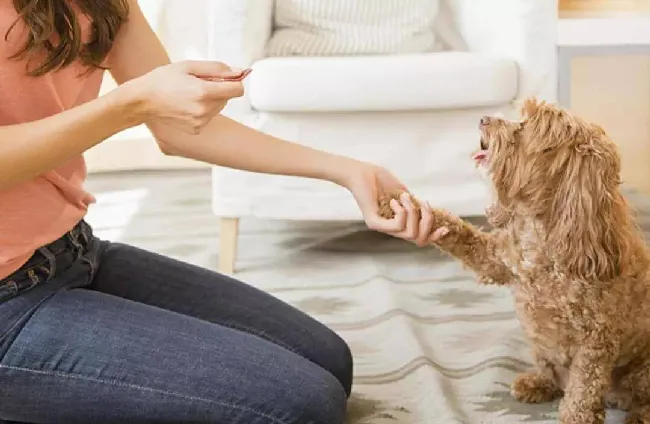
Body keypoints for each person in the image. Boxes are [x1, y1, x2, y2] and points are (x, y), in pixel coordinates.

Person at [0, 1, 439, 423]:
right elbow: (135, 103)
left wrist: (347, 171)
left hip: (71, 250)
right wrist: (129, 104)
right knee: (298, 406)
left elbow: (177, 129)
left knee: (328, 361)